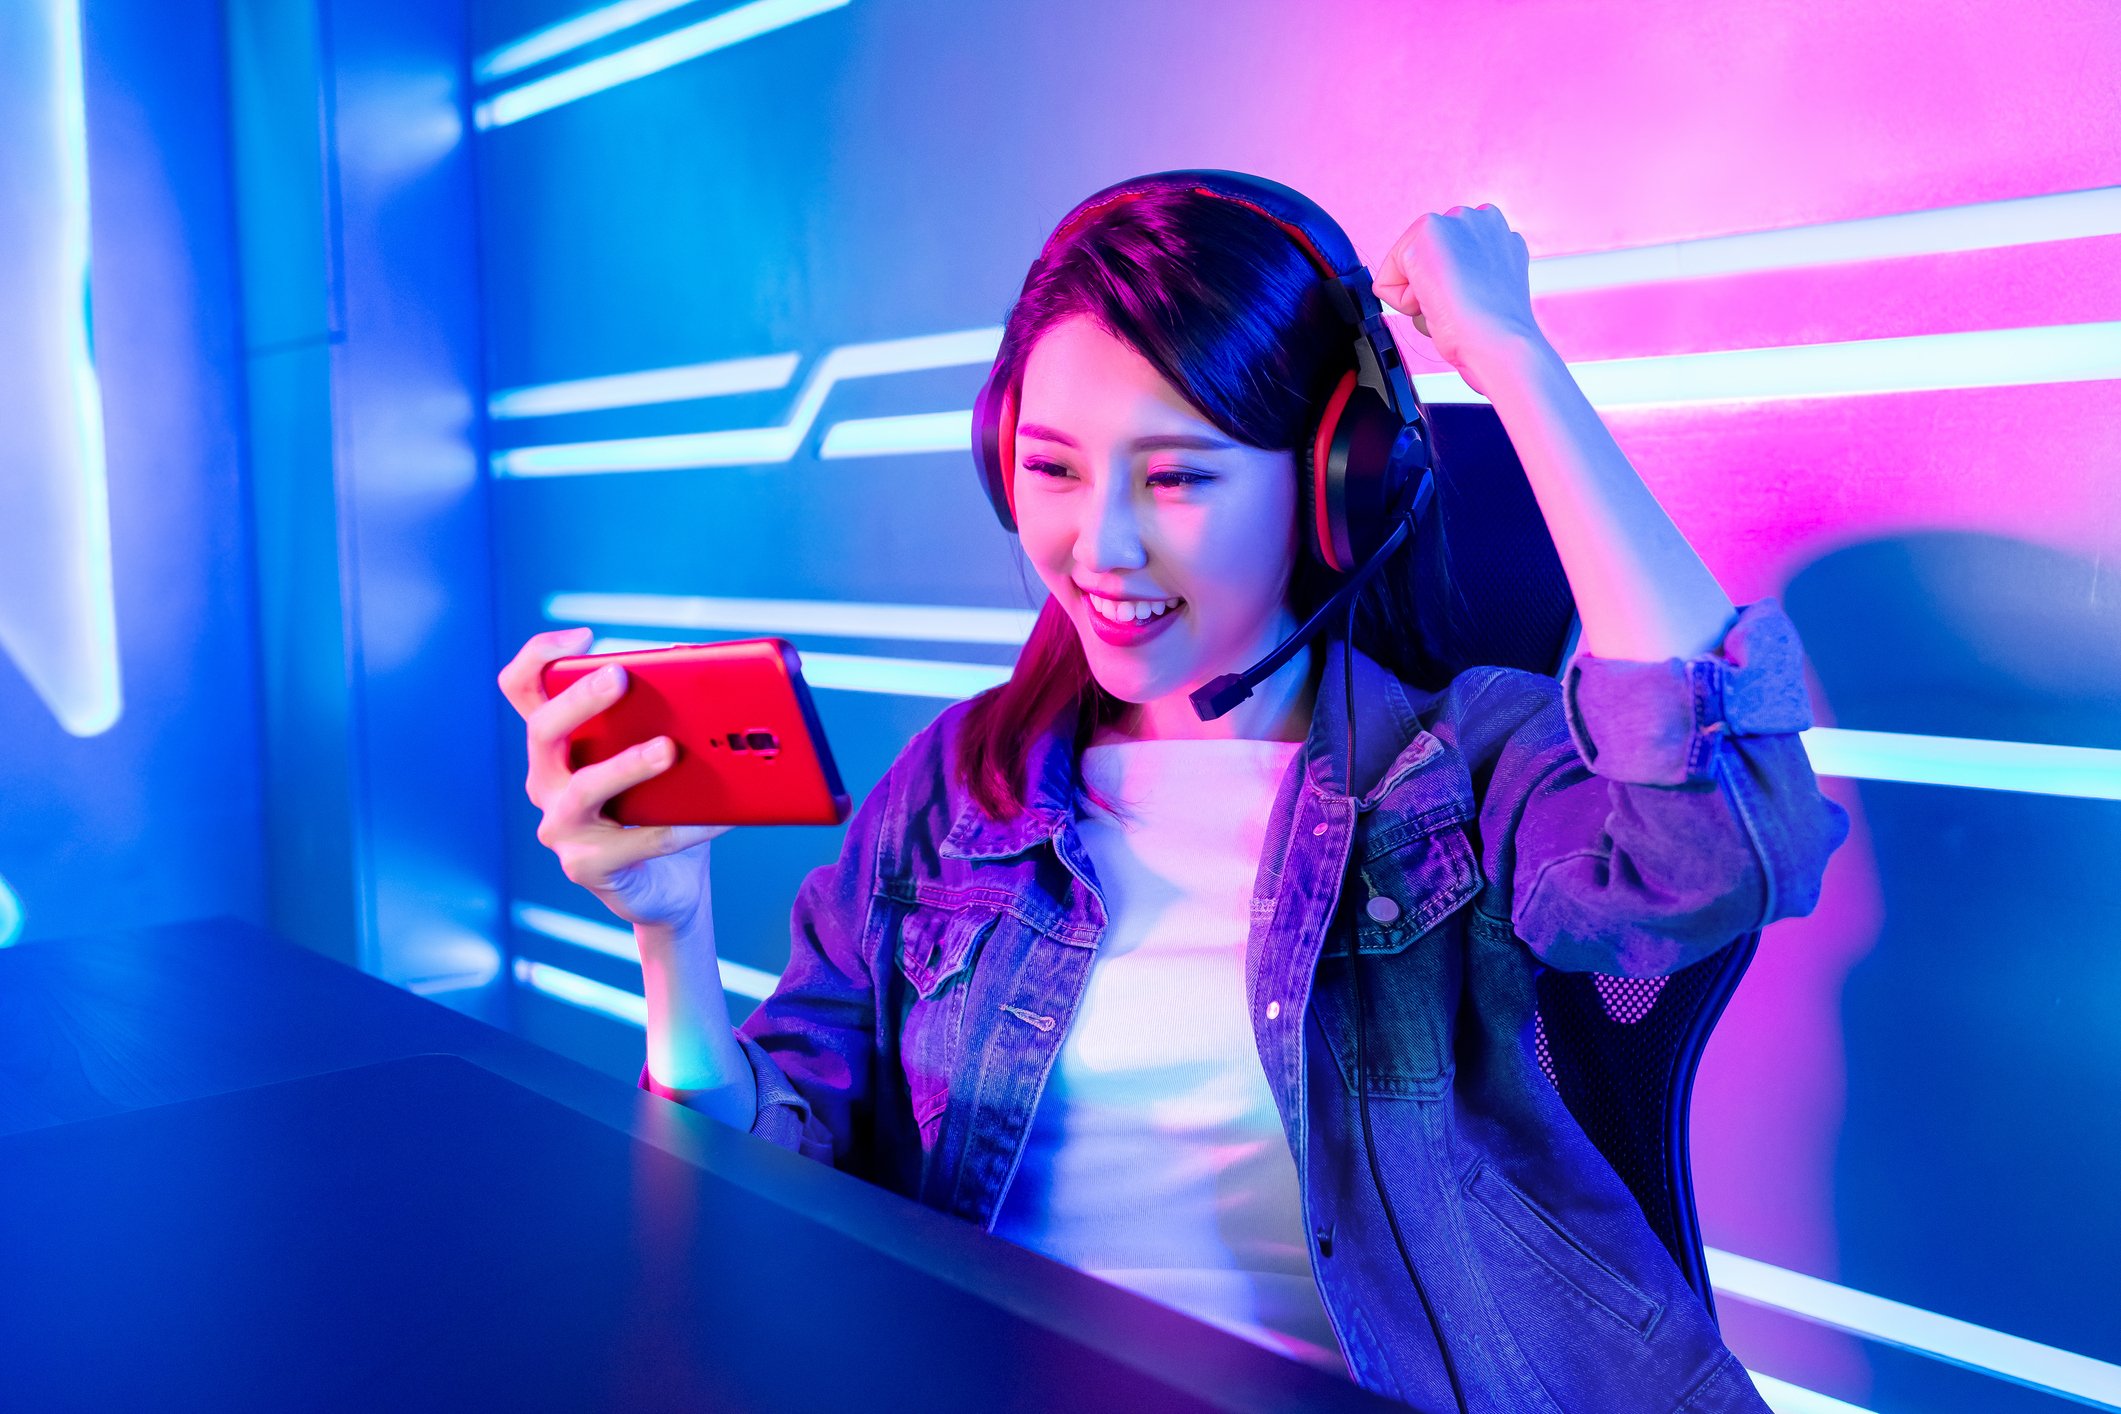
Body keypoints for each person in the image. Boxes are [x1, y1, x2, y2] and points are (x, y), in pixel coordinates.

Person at [496, 178, 1850, 1412]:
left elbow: (1721, 841)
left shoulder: (1461, 766)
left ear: (1331, 489)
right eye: (1052, 467)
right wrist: (669, 931)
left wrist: (1511, 357)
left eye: (1177, 476)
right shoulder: (954, 794)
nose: (1100, 544)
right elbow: (762, 1192)